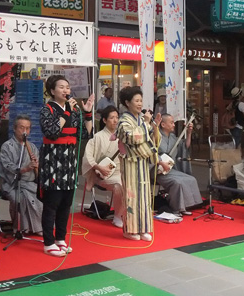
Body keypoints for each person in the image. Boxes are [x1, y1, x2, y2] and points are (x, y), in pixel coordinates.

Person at [39, 75, 94, 257]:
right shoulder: (47, 109)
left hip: (70, 161)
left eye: (67, 87)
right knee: (52, 203)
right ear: (52, 91)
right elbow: (52, 132)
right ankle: (48, 242)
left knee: (66, 203)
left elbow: (85, 135)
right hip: (53, 160)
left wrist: (86, 113)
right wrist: (67, 113)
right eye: (61, 87)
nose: (65, 90)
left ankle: (60, 238)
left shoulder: (73, 109)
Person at [116, 86, 160, 241]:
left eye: (141, 100)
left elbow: (150, 138)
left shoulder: (141, 119)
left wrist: (153, 127)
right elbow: (131, 138)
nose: (140, 104)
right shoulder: (123, 120)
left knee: (144, 196)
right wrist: (147, 125)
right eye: (136, 100)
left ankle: (143, 228)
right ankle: (129, 229)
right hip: (130, 162)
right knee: (131, 195)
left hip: (141, 161)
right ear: (127, 102)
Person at [0, 115, 43, 235]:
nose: (25, 131)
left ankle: (36, 227)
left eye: (27, 128)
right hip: (12, 184)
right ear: (14, 128)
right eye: (21, 128)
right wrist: (24, 169)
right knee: (18, 198)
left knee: (41, 197)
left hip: (28, 183)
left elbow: (38, 169)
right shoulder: (7, 146)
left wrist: (36, 166)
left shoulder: (32, 147)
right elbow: (7, 166)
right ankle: (19, 228)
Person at [81, 105, 124, 228]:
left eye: (117, 117)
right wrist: (98, 167)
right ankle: (117, 216)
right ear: (104, 120)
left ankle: (126, 213)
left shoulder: (122, 136)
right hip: (102, 174)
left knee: (133, 182)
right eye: (112, 118)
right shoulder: (97, 137)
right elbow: (87, 156)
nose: (115, 120)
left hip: (120, 171)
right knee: (119, 185)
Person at [156, 114, 202, 217]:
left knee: (191, 179)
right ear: (163, 124)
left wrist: (189, 133)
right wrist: (160, 162)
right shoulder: (156, 136)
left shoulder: (173, 137)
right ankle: (175, 209)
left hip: (170, 169)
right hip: (158, 170)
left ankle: (184, 206)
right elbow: (151, 152)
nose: (173, 125)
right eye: (171, 123)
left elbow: (185, 146)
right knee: (177, 182)